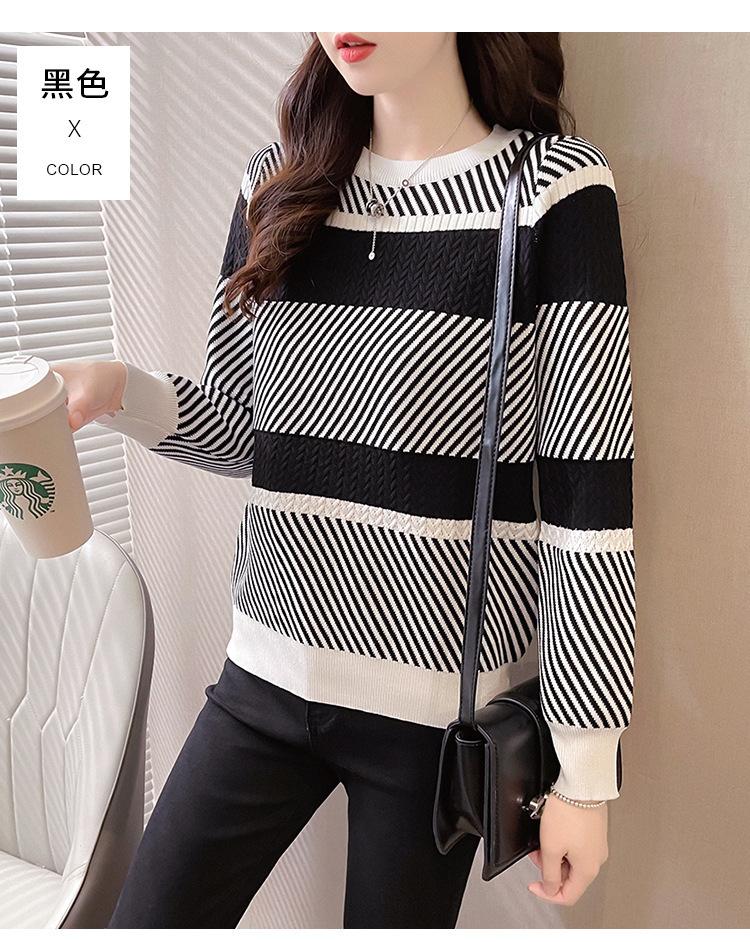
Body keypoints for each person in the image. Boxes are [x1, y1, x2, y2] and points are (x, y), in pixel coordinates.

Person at [54, 32, 637, 929]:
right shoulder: (276, 183)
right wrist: (118, 389)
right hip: (264, 678)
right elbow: (250, 434)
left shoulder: (554, 191)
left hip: (434, 721)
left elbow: (586, 502)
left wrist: (585, 774)